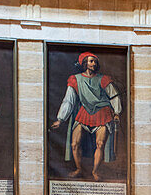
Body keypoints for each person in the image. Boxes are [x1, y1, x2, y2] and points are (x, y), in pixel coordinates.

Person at [50, 51, 121, 181]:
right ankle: (79, 169)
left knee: (100, 144)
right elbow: (68, 100)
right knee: (74, 144)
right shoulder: (76, 79)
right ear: (84, 63)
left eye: (95, 61)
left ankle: (95, 171)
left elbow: (114, 95)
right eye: (91, 61)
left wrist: (116, 112)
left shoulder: (103, 79)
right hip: (85, 112)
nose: (94, 64)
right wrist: (60, 120)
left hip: (102, 112)